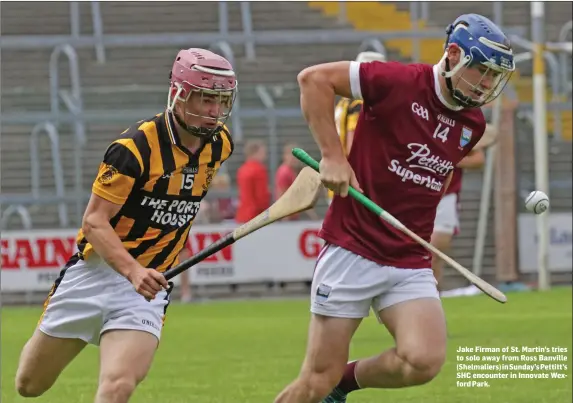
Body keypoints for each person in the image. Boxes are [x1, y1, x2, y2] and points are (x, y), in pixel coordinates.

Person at [273, 13, 514, 403]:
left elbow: (432, 177)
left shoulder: (472, 123)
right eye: (480, 71)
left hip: (409, 259)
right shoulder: (397, 81)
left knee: (423, 360)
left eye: (493, 77)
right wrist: (334, 157)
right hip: (354, 247)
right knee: (315, 380)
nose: (486, 84)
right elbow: (312, 79)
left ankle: (344, 383)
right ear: (453, 54)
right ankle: (329, 382)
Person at [15, 48, 237, 402]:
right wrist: (133, 270)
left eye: (221, 100)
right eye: (206, 99)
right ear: (179, 95)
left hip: (148, 285)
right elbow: (94, 221)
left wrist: (147, 268)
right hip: (95, 273)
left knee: (118, 386)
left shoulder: (221, 144)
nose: (215, 111)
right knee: (29, 385)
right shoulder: (133, 148)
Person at [327, 51, 387, 204]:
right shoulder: (359, 104)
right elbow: (354, 144)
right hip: (354, 183)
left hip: (337, 177)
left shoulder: (344, 102)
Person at [275, 142, 319, 221]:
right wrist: (285, 217)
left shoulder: (292, 171)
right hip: (288, 215)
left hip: (292, 214)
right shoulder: (285, 172)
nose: (294, 159)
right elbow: (283, 195)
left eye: (296, 157)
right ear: (285, 156)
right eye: (291, 156)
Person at [235, 140, 271, 223]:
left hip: (242, 214)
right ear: (255, 152)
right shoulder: (259, 169)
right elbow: (261, 197)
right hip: (256, 216)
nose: (265, 155)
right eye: (263, 152)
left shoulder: (242, 169)